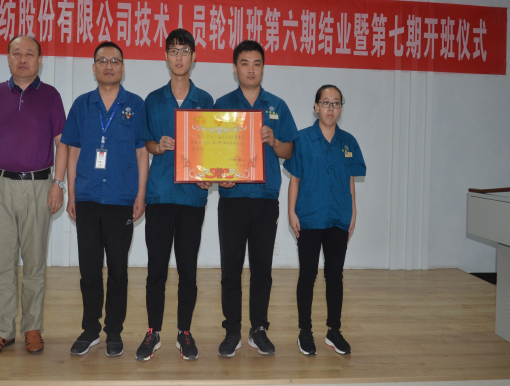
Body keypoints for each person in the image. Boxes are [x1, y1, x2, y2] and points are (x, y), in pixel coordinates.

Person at [0, 36, 67, 358]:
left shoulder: (51, 96)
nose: (23, 59)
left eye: (29, 54)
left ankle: (32, 328)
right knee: (3, 264)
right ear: (8, 58)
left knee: (34, 263)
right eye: (17, 53)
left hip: (39, 187)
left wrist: (58, 184)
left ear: (40, 60)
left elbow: (62, 143)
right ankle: (3, 330)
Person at [61, 41, 148, 357]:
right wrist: (72, 193)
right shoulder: (81, 105)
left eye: (114, 61)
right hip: (87, 197)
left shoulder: (135, 105)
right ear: (94, 67)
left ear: (123, 67)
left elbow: (142, 153)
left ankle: (114, 331)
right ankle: (90, 329)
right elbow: (73, 151)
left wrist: (140, 194)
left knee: (118, 271)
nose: (108, 66)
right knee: (89, 270)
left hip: (121, 198)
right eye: (102, 60)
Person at [214, 40, 298, 357]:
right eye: (245, 63)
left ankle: (258, 329)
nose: (251, 69)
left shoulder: (277, 106)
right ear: (235, 68)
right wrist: (220, 175)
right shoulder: (222, 105)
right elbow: (210, 152)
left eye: (257, 63)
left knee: (262, 268)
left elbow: (289, 151)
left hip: (265, 199)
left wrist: (274, 140)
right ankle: (232, 330)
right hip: (233, 197)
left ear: (263, 67)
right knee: (231, 268)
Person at [135, 29, 213, 361]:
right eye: (173, 51)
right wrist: (159, 146)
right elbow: (146, 144)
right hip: (160, 194)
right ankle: (153, 331)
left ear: (194, 57)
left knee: (188, 270)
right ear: (165, 56)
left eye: (184, 51)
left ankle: (184, 332)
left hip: (192, 199)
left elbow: (213, 150)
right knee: (156, 269)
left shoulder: (206, 100)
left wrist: (209, 176)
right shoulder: (153, 100)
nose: (179, 57)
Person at [283, 85, 366, 356]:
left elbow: (350, 180)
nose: (331, 108)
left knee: (335, 276)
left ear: (341, 108)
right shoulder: (302, 139)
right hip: (309, 217)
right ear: (316, 107)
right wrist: (291, 212)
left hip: (338, 218)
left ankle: (334, 330)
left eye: (336, 103)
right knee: (307, 275)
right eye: (326, 102)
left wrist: (353, 211)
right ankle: (304, 331)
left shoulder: (348, 142)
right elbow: (295, 180)